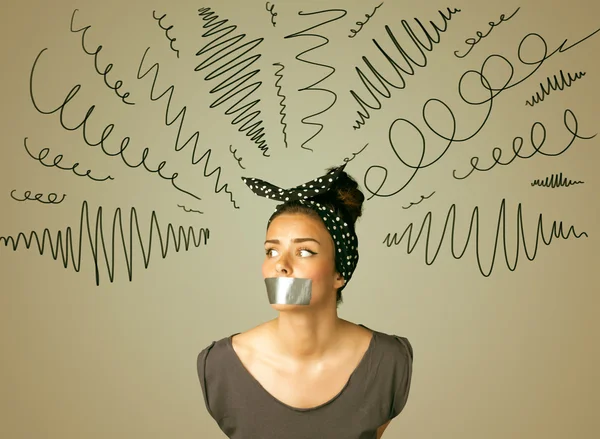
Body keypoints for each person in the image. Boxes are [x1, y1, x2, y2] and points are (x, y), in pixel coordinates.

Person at [197, 164, 413, 439]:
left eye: (305, 251)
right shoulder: (219, 365)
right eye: (272, 251)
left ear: (339, 273)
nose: (281, 266)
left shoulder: (388, 361)